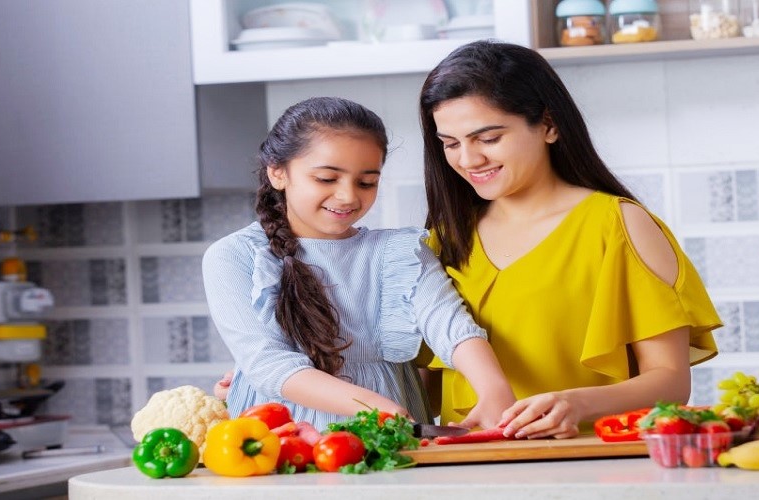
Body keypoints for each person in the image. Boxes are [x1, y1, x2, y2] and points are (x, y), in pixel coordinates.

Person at [417, 40, 722, 440]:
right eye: (450, 144)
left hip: (591, 462)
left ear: (548, 124)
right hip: (470, 466)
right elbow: (420, 383)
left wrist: (576, 403)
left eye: (488, 139)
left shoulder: (618, 225)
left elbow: (670, 381)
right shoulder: (445, 239)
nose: (468, 160)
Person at [202, 97, 515, 432]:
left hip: (391, 424)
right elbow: (269, 363)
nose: (348, 196)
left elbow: (449, 324)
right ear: (278, 172)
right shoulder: (234, 255)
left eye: (367, 182)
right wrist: (374, 406)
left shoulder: (398, 252)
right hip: (282, 433)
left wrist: (494, 388)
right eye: (326, 178)